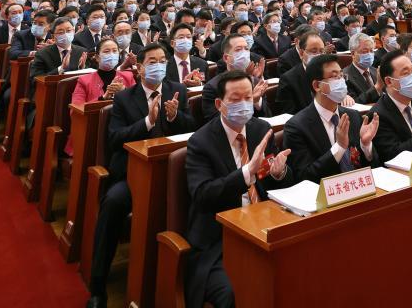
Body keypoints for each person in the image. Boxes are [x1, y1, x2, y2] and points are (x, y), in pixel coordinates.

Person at [86, 43, 194, 308]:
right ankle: (97, 286)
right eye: (152, 61)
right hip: (132, 174)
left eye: (162, 60)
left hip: (170, 172)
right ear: (140, 68)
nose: (159, 65)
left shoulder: (178, 90)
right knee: (112, 203)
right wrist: (147, 122)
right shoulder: (124, 98)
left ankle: (186, 281)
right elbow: (114, 139)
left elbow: (193, 130)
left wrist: (175, 117)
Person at [185, 70, 294, 308]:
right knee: (233, 293)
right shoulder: (200, 142)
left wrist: (279, 173)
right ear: (219, 104)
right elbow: (202, 195)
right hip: (221, 239)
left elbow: (275, 181)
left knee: (297, 274)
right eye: (236, 100)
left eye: (248, 98)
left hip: (265, 225)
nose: (244, 105)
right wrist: (246, 173)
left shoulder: (260, 129)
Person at [282, 54, 380, 181]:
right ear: (317, 85)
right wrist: (339, 148)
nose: (341, 81)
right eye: (335, 76)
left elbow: (374, 167)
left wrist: (366, 145)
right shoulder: (297, 127)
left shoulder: (354, 116)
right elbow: (304, 177)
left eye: (341, 76)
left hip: (358, 186)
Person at [66, 37, 136, 155]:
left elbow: (138, 105)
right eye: (107, 51)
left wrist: (124, 91)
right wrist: (102, 98)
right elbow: (75, 111)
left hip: (121, 132)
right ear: (97, 57)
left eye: (115, 51)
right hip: (91, 132)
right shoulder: (84, 80)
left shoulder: (128, 77)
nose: (111, 54)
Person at [201, 34, 268, 121]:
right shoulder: (212, 87)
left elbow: (267, 115)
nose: (244, 53)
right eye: (238, 50)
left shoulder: (255, 81)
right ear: (226, 58)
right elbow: (214, 121)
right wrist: (250, 101)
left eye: (246, 49)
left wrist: (256, 102)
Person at [275, 29, 342, 116]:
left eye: (321, 51)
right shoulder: (288, 79)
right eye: (314, 51)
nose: (318, 55)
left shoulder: (331, 74)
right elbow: (289, 114)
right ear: (302, 53)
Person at [165, 23, 207, 87]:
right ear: (172, 43)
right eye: (181, 37)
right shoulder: (165, 66)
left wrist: (199, 84)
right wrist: (182, 86)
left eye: (188, 37)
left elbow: (206, 85)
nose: (185, 40)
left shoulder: (201, 64)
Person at [343, 32, 380, 102]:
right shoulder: (345, 76)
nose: (369, 54)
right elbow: (354, 102)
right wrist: (377, 87)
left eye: (371, 51)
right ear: (353, 54)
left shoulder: (376, 71)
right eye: (365, 51)